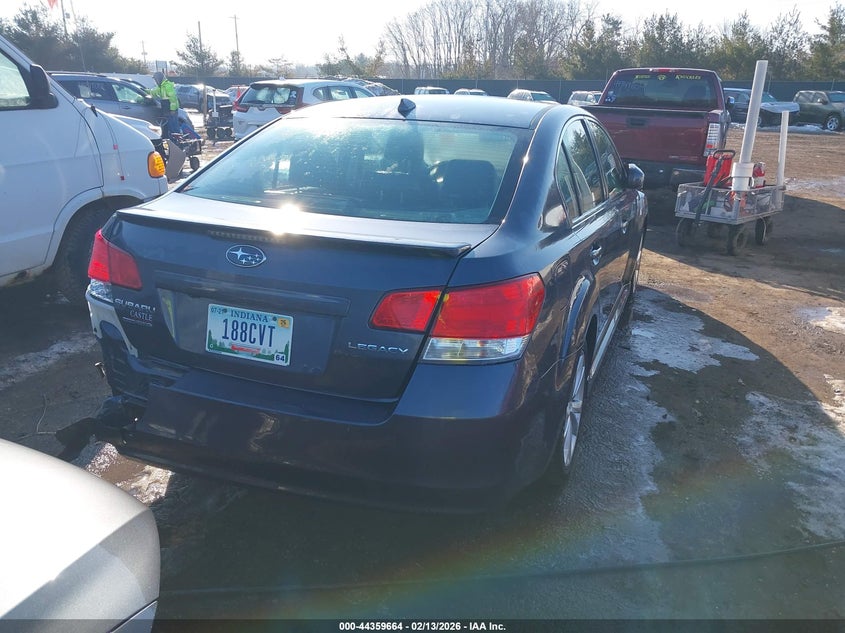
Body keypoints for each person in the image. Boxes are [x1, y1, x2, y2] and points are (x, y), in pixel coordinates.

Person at [148, 71, 180, 137]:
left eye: (156, 79)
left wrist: (173, 110)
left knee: (174, 128)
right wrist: (145, 91)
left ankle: (178, 142)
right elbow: (153, 93)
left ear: (159, 78)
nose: (155, 81)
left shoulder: (167, 86)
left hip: (171, 111)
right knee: (170, 128)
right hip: (167, 110)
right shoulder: (161, 87)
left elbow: (173, 99)